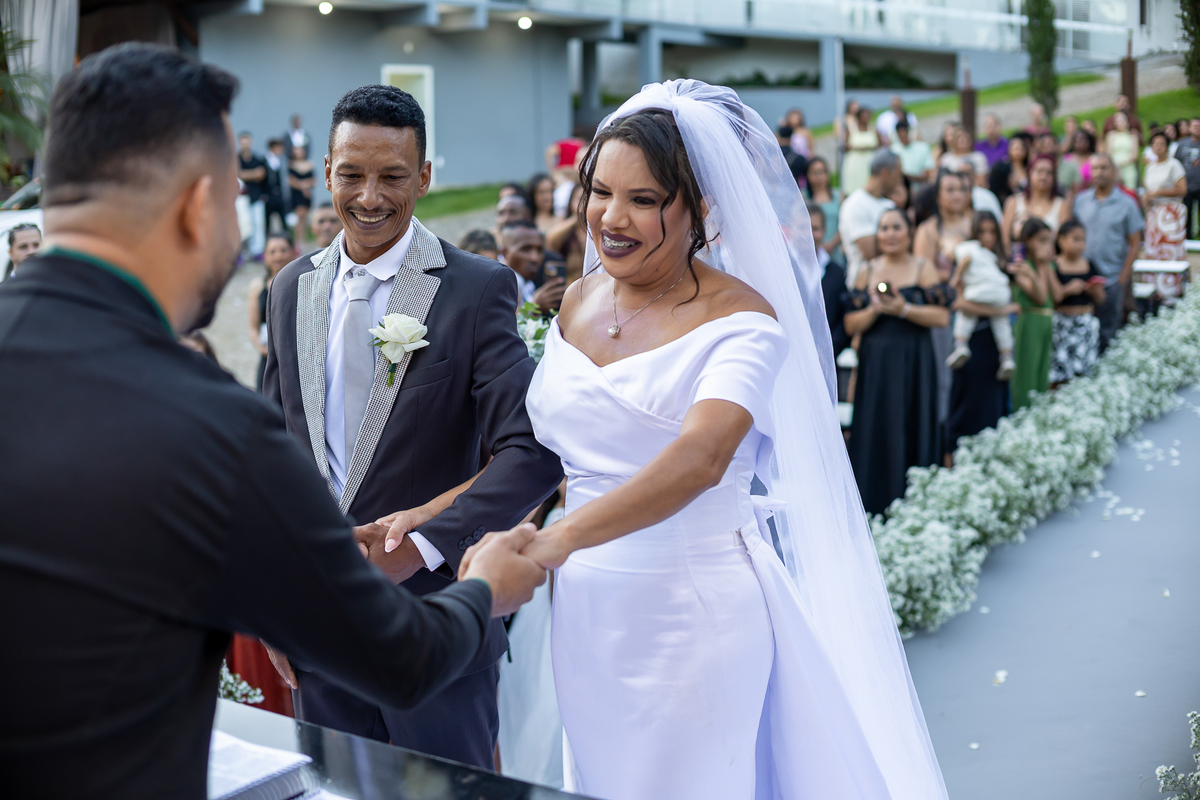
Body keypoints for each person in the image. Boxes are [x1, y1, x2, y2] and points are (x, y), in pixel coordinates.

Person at [0, 43, 549, 799]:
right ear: (198, 205)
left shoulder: (475, 287)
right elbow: (401, 653)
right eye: (235, 193)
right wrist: (486, 588)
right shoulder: (210, 417)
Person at [513, 80, 948, 800]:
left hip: (690, 614)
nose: (611, 218)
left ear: (703, 211)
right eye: (599, 192)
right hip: (585, 613)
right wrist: (434, 519)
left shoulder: (742, 320)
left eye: (644, 200)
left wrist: (553, 541)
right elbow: (543, 446)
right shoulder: (580, 297)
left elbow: (700, 459)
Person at [262, 83, 563, 769]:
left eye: (392, 177)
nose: (369, 197)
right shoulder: (289, 289)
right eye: (351, 175)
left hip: (435, 630)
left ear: (424, 177)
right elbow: (273, 457)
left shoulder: (476, 287)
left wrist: (419, 547)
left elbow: (533, 451)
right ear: (327, 172)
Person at [845, 207, 951, 514]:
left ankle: (916, 504)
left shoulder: (923, 268)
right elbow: (850, 324)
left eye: (896, 227)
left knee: (914, 421)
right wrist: (875, 309)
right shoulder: (866, 271)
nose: (889, 234)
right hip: (876, 364)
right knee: (877, 425)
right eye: (884, 228)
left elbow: (941, 317)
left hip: (915, 360)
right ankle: (874, 505)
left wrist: (904, 309)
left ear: (909, 232)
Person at [914, 170, 973, 423]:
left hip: (979, 312)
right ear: (938, 196)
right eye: (950, 190)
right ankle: (944, 432)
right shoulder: (928, 230)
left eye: (961, 189)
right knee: (945, 377)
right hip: (946, 314)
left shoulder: (976, 224)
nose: (957, 195)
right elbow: (923, 274)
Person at [1071, 153, 1144, 351]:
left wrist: (1122, 278)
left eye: (1104, 168)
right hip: (1083, 279)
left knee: (1108, 334)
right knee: (1082, 333)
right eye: (1095, 168)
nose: (1099, 172)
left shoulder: (1127, 203)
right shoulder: (1081, 201)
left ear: (1114, 171)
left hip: (1112, 279)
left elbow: (1135, 244)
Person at [947, 211, 1013, 379]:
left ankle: (962, 345)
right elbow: (960, 303)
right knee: (1000, 323)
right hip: (978, 336)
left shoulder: (995, 258)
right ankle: (1005, 356)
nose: (988, 237)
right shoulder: (974, 251)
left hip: (989, 341)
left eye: (992, 232)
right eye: (982, 232)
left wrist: (956, 277)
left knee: (969, 319)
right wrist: (1001, 311)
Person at [1047, 219, 1105, 385]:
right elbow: (1053, 298)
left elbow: (1101, 299)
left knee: (1085, 371)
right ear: (1061, 240)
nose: (1080, 245)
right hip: (1062, 325)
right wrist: (1068, 289)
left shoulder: (1089, 265)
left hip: (1085, 323)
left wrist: (1096, 292)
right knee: (1060, 370)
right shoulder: (1053, 265)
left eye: (1083, 240)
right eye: (1075, 239)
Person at [1008, 218, 1055, 410]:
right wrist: (1040, 268)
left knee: (1042, 372)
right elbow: (1040, 296)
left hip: (1047, 321)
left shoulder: (1047, 265)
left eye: (1049, 241)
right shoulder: (1021, 265)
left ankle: (1040, 414)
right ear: (1028, 241)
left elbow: (1056, 294)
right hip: (1028, 321)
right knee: (1026, 373)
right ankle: (1022, 413)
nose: (1046, 246)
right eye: (1041, 240)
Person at [838, 149, 900, 287]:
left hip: (892, 280)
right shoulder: (855, 205)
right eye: (898, 175)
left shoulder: (889, 205)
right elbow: (871, 253)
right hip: (864, 285)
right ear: (886, 173)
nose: (899, 181)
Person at [248, 232, 294, 391]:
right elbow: (253, 327)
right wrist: (262, 348)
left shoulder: (301, 282)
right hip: (268, 356)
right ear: (265, 256)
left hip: (295, 356)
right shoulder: (257, 286)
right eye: (272, 252)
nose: (278, 256)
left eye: (283, 250)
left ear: (293, 252)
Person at [809, 203, 851, 355]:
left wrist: (829, 349)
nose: (809, 234)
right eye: (803, 227)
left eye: (815, 228)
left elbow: (842, 316)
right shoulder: (785, 269)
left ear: (824, 231)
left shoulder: (837, 273)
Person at [1002, 154, 1068, 250]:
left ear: (1054, 178)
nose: (1043, 176)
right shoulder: (1013, 202)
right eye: (1039, 171)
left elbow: (1065, 241)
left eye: (1049, 173)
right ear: (1029, 174)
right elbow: (1004, 239)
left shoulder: (1062, 205)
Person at [1143, 131, 1189, 260]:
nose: (1158, 147)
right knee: (1154, 248)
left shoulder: (1174, 164)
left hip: (1170, 212)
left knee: (1170, 249)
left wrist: (1159, 192)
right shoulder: (1150, 167)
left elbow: (1182, 189)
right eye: (1155, 144)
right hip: (1154, 211)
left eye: (1161, 144)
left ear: (1167, 146)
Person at [500, 220, 565, 312]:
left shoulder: (528, 283)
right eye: (525, 250)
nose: (534, 258)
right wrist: (535, 306)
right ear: (504, 252)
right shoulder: (499, 283)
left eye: (539, 250)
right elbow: (504, 319)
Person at [546, 182, 588, 285]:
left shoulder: (599, 230)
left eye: (588, 199)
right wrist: (576, 218)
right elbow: (550, 238)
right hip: (570, 288)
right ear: (571, 202)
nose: (585, 202)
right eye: (580, 198)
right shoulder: (565, 232)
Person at [237, 131, 268, 257]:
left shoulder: (257, 159)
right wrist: (253, 174)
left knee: (258, 224)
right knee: (243, 226)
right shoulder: (235, 159)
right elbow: (237, 174)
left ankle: (257, 251)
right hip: (240, 198)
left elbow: (261, 174)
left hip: (256, 196)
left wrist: (244, 174)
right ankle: (241, 253)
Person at [805, 156, 842, 257]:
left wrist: (831, 245)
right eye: (816, 173)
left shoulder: (838, 196)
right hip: (811, 249)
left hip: (834, 249)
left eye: (823, 172)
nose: (820, 177)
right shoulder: (803, 197)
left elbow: (844, 224)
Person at [842, 105, 880, 195]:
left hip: (869, 161)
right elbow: (845, 146)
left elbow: (880, 145)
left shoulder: (873, 129)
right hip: (855, 162)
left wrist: (869, 148)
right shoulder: (851, 128)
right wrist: (858, 148)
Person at [989, 132, 1031, 208]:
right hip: (1007, 204)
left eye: (1021, 148)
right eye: (1015, 148)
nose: (1018, 151)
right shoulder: (1001, 168)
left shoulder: (1030, 168)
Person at [891, 118, 935, 190]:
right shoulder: (893, 150)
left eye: (904, 132)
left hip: (921, 189)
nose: (902, 136)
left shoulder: (923, 148)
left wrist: (907, 177)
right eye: (900, 133)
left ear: (908, 132)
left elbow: (928, 174)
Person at [1175, 118, 1200, 238]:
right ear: (1189, 128)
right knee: (1186, 214)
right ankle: (1188, 239)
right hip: (1186, 186)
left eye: (1199, 126)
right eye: (1194, 126)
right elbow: (1176, 163)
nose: (1197, 128)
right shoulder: (1182, 144)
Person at [288, 144, 315, 243]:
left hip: (307, 194)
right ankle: (297, 240)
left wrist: (306, 186)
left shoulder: (309, 164)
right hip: (297, 194)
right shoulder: (291, 164)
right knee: (299, 217)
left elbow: (314, 180)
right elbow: (291, 181)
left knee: (305, 218)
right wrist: (303, 186)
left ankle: (304, 239)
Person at [1104, 112, 1139, 188]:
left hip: (1129, 167)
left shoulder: (1133, 136)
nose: (1120, 123)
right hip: (1115, 168)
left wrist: (1122, 163)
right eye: (1117, 121)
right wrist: (1115, 166)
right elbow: (1108, 153)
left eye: (1121, 120)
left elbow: (1134, 155)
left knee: (1130, 189)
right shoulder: (1111, 135)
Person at [1058, 129, 1097, 197]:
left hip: (1091, 194)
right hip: (1069, 195)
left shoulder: (1095, 158)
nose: (1080, 143)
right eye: (1077, 141)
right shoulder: (1066, 159)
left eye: (1083, 140)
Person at [263, 137, 289, 233]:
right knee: (267, 221)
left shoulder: (282, 161)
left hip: (279, 195)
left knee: (283, 219)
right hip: (268, 195)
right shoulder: (265, 160)